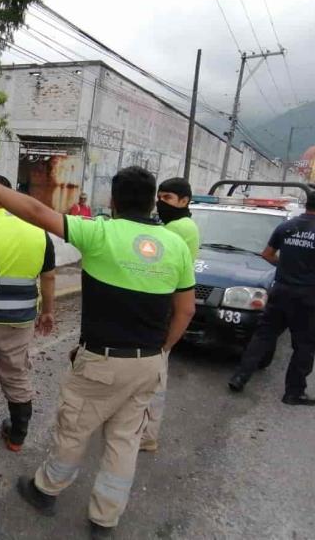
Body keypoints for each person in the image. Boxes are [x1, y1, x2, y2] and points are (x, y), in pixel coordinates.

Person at [0, 161, 195, 536]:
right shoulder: (176, 245)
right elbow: (185, 310)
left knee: (74, 430)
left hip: (102, 361)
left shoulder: (100, 232)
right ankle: (105, 519)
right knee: (124, 440)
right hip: (149, 362)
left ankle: (45, 490)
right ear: (152, 202)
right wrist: (162, 349)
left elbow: (35, 211)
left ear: (113, 201)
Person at [0, 175, 56, 452]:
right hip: (19, 321)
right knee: (16, 375)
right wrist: (47, 312)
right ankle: (17, 437)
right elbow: (48, 278)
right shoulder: (38, 232)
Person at [228, 189, 315, 405]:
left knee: (263, 336)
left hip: (281, 290)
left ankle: (239, 377)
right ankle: (294, 392)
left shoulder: (286, 227)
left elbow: (267, 254)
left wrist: (285, 267)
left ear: (307, 204)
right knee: (305, 344)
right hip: (310, 296)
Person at [140, 177, 200, 453]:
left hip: (167, 304)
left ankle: (147, 435)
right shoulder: (179, 224)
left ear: (184, 201)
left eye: (168, 198)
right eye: (159, 197)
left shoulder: (179, 228)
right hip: (169, 301)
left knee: (156, 375)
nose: (160, 203)